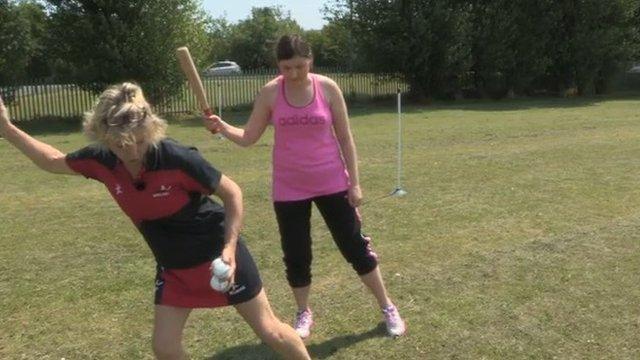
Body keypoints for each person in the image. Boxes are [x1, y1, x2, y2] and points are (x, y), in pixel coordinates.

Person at [0, 84, 311, 360]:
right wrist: (7, 128)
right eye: (119, 145)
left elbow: (232, 194)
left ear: (149, 130)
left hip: (217, 254)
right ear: (104, 138)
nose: (131, 152)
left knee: (271, 332)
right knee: (164, 348)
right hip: (173, 266)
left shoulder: (176, 157)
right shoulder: (101, 159)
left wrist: (229, 249)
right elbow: (53, 161)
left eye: (137, 141)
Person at [203, 34, 406, 339]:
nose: (294, 73)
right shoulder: (271, 93)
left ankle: (387, 306)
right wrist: (221, 127)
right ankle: (303, 312)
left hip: (332, 182)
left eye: (300, 65)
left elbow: (345, 138)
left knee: (355, 247)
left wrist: (355, 183)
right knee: (297, 254)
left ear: (310, 60)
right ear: (278, 66)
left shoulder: (327, 88)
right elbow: (248, 137)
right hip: (289, 188)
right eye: (287, 67)